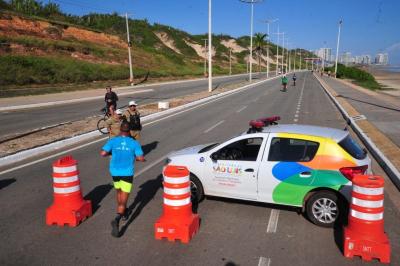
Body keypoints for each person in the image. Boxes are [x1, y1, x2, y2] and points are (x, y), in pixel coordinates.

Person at [100, 122, 145, 238]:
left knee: (119, 191)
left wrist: (112, 151)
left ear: (120, 130)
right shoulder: (134, 143)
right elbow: (140, 157)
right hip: (126, 173)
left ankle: (124, 211)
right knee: (124, 197)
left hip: (114, 172)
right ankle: (118, 218)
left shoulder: (113, 141)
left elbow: (103, 153)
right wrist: (140, 159)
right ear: (129, 131)